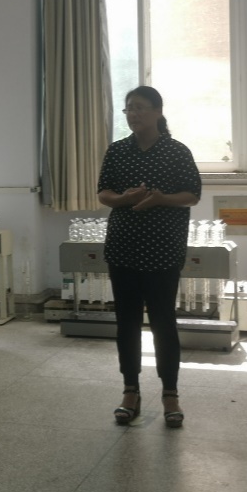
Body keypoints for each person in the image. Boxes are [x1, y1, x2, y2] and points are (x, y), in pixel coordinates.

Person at [96, 86, 201, 429]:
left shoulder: (176, 151)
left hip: (163, 249)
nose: (133, 114)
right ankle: (131, 391)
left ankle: (170, 394)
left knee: (162, 322)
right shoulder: (117, 151)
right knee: (126, 322)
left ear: (157, 111)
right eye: (128, 108)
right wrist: (124, 198)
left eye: (140, 107)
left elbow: (192, 194)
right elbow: (104, 193)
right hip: (123, 248)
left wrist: (160, 199)